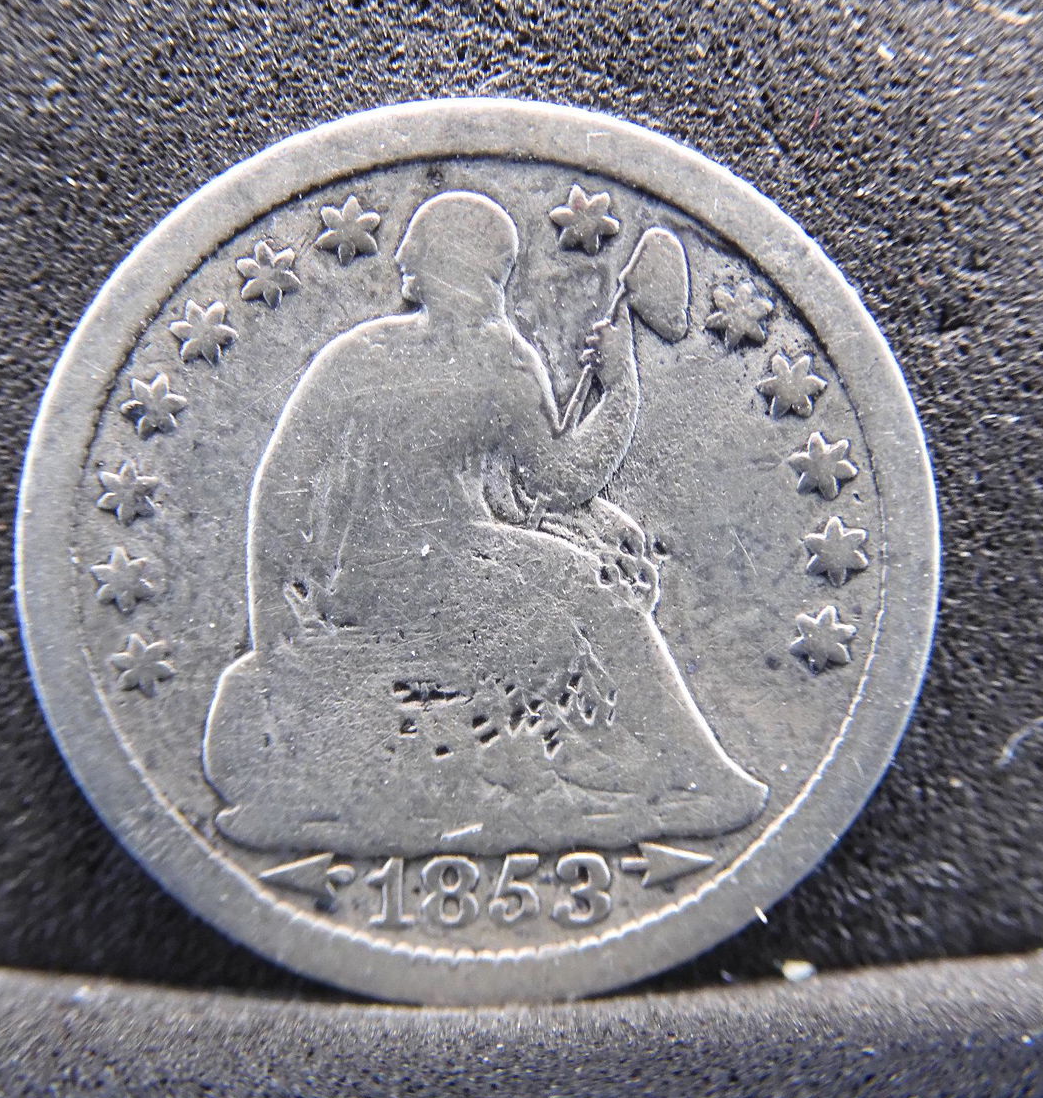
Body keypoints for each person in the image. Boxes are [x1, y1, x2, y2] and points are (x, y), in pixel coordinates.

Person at [205, 190, 768, 856]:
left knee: (576, 578)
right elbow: (558, 481)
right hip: (443, 569)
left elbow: (279, 492)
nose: (405, 259)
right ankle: (696, 776)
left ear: (426, 263)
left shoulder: (357, 354)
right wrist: (622, 388)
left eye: (413, 249)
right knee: (597, 589)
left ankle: (616, 765)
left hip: (373, 582)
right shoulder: (501, 359)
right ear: (482, 272)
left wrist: (275, 634)